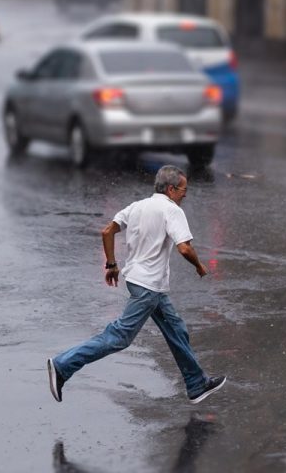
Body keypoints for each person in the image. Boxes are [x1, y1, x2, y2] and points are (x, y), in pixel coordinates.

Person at [47, 165, 226, 405]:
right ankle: (63, 366)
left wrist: (112, 264)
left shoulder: (137, 206)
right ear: (171, 189)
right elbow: (184, 247)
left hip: (142, 282)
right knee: (119, 337)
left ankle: (196, 384)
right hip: (148, 287)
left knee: (176, 329)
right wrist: (199, 265)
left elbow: (107, 231)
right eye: (184, 190)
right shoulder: (172, 210)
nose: (185, 194)